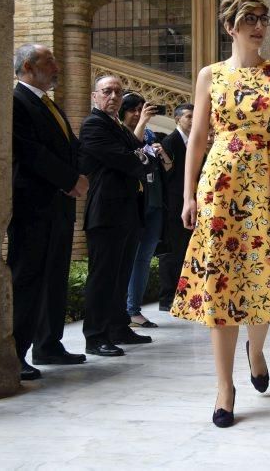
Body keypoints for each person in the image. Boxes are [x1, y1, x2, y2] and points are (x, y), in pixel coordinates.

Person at [170, 0, 270, 428]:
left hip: (266, 184)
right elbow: (196, 139)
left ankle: (257, 349)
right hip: (220, 186)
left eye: (263, 19)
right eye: (250, 20)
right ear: (231, 27)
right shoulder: (210, 75)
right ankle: (224, 386)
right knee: (221, 282)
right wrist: (189, 194)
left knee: (261, 273)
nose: (259, 27)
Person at [9, 43, 88, 380]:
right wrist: (70, 180)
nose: (57, 65)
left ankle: (48, 344)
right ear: (28, 66)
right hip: (34, 205)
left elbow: (69, 146)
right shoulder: (17, 101)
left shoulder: (48, 103)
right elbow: (29, 151)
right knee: (28, 278)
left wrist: (78, 177)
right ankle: (15, 354)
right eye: (49, 60)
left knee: (54, 277)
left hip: (59, 204)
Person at [79, 76, 155, 356]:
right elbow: (129, 160)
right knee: (103, 276)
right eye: (107, 91)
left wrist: (139, 157)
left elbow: (142, 156)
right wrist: (140, 158)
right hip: (106, 211)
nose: (113, 96)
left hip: (128, 210)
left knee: (121, 273)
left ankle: (118, 327)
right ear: (94, 96)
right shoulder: (93, 124)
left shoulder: (117, 125)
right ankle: (95, 335)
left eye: (117, 92)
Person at [119, 93, 172, 328]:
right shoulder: (120, 131)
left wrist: (162, 153)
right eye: (134, 110)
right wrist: (142, 123)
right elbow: (131, 148)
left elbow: (168, 167)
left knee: (143, 258)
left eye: (143, 109)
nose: (139, 114)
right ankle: (125, 310)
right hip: (135, 203)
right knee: (129, 258)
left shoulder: (151, 135)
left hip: (155, 202)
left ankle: (134, 309)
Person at [158, 103, 194, 312]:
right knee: (172, 251)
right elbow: (169, 175)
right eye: (189, 116)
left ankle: (183, 293)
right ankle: (167, 297)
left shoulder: (192, 142)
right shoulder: (170, 141)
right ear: (177, 119)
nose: (192, 120)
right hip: (174, 204)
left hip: (188, 202)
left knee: (185, 250)